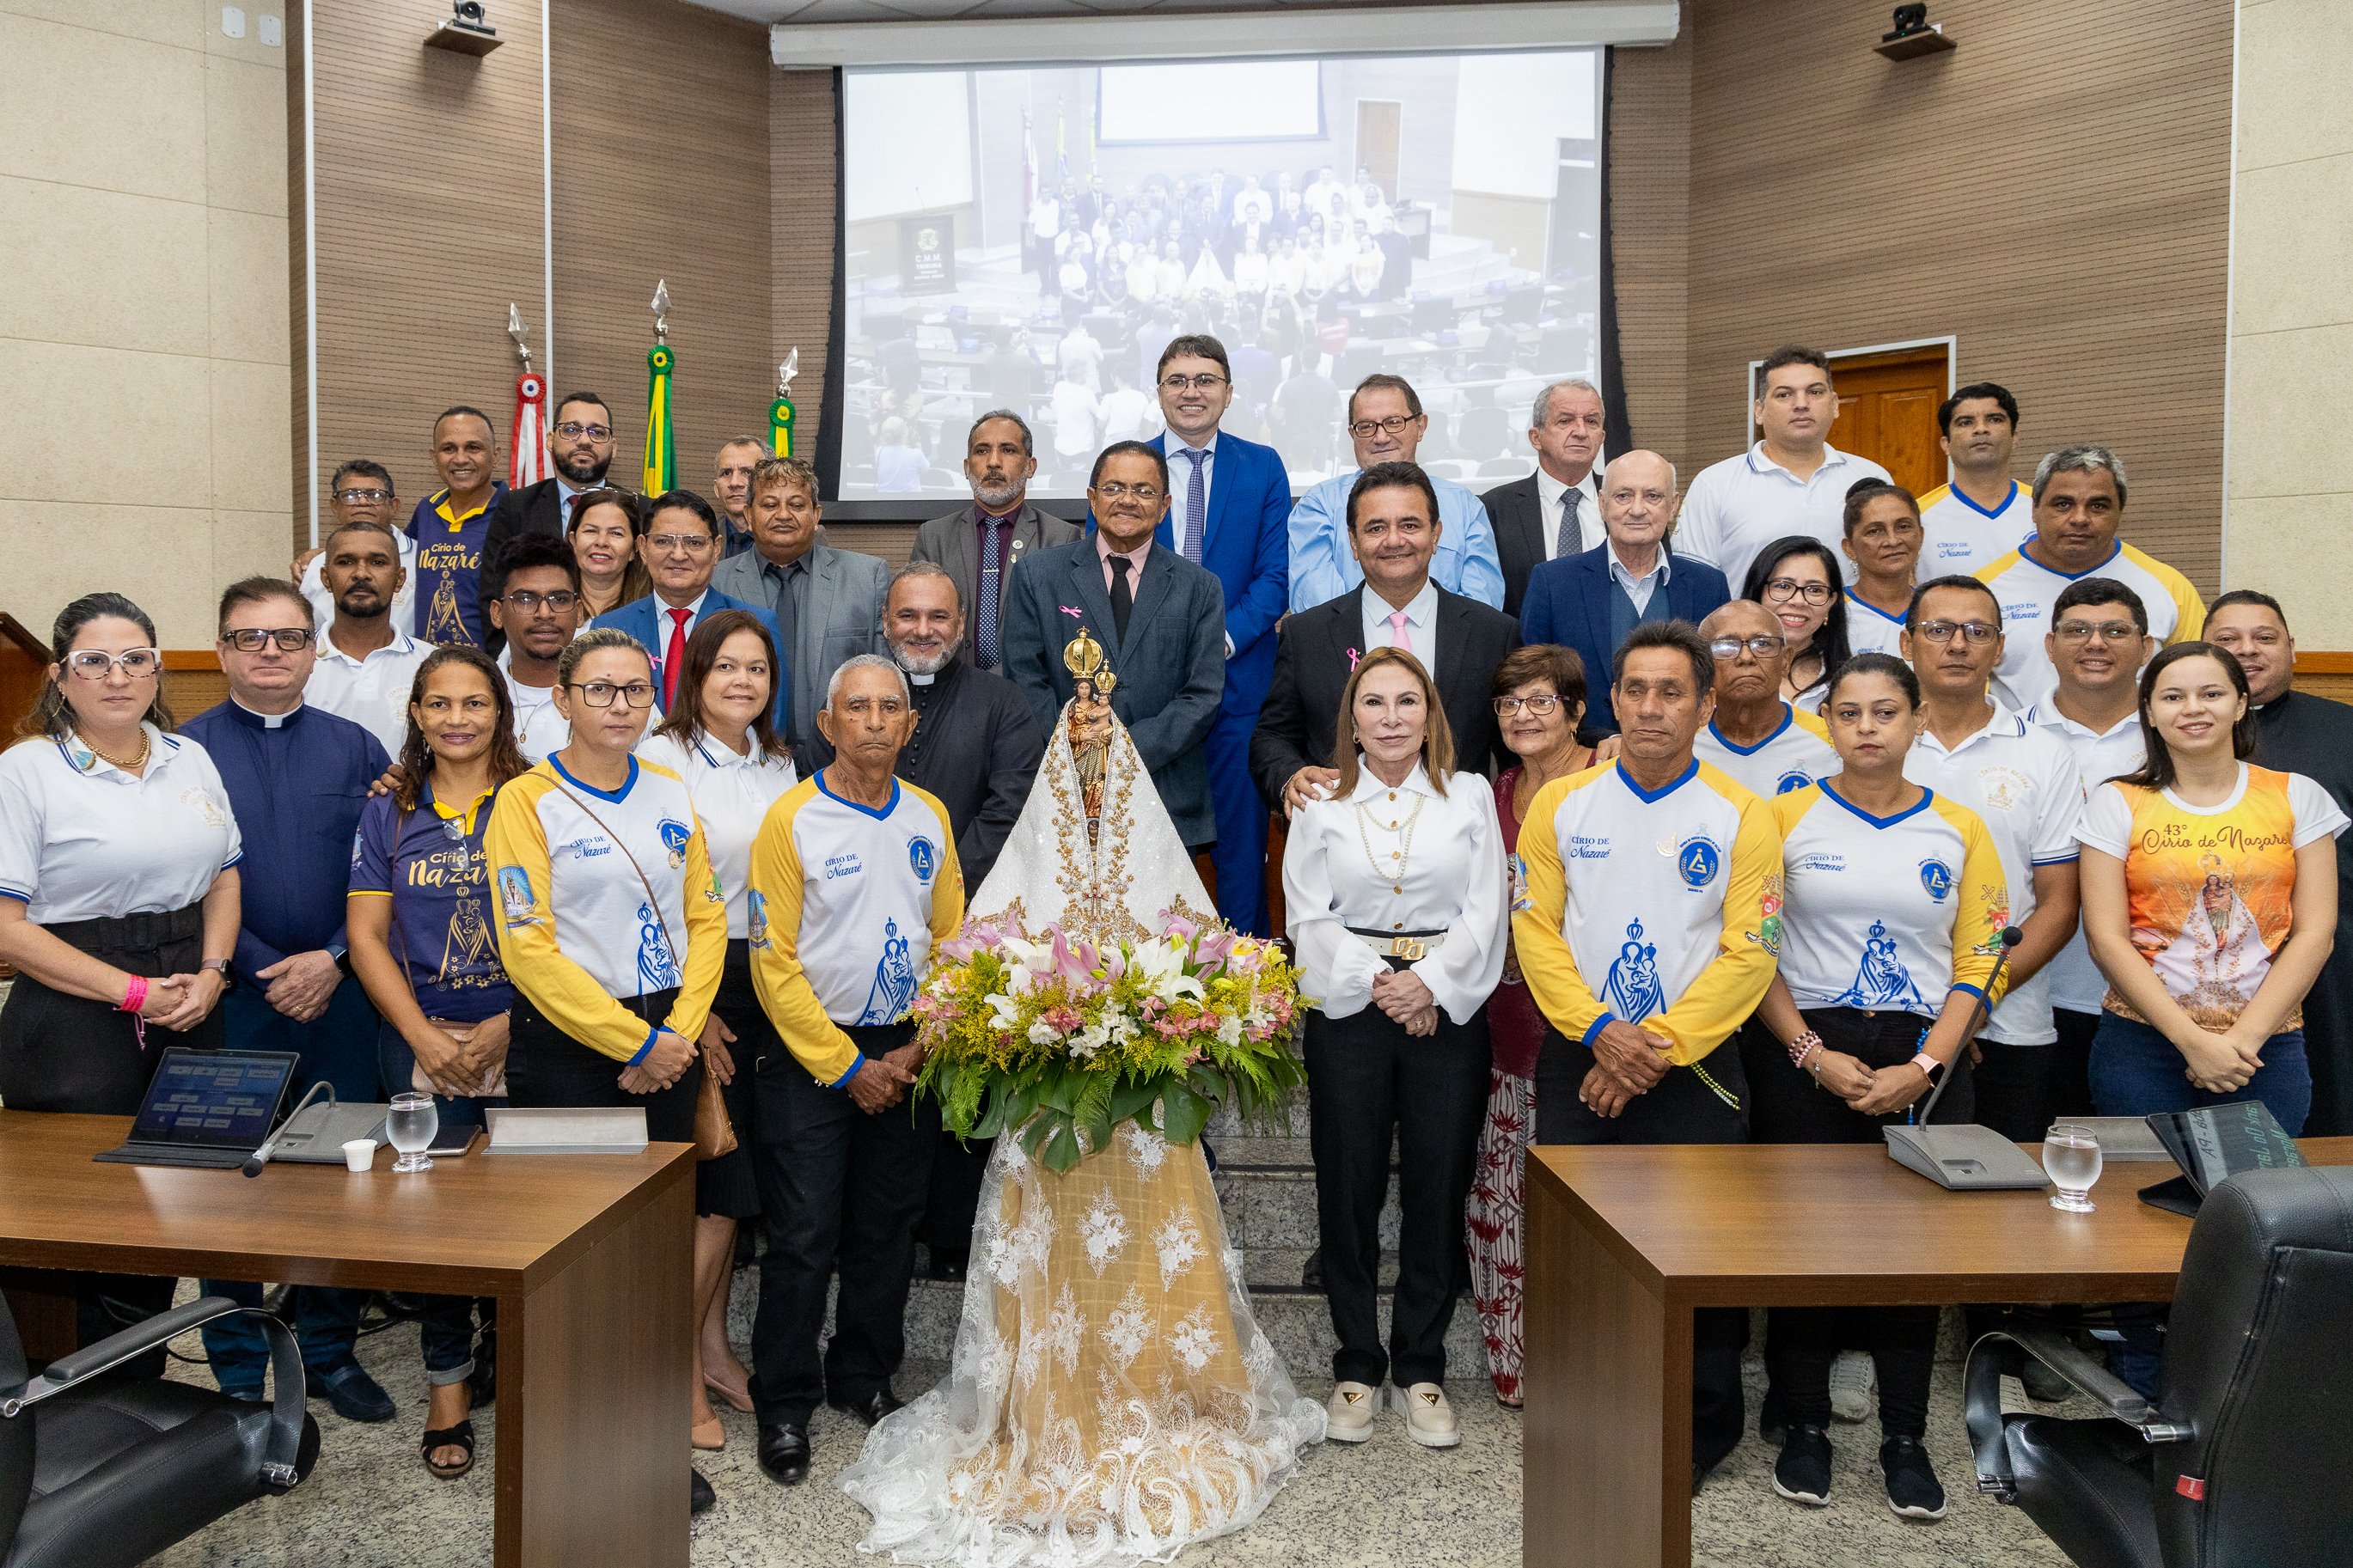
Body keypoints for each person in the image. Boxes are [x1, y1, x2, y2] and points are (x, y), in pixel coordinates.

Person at [838, 642, 1322, 1563]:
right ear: (1063, 759)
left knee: (1148, 1263)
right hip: (1046, 1113)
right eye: (1081, 757)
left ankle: (1159, 1392)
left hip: (1142, 1120)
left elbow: (1194, 952)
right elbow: (989, 955)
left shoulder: (1155, 852)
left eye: (1108, 757)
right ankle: (1045, 1406)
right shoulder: (1033, 851)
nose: (1095, 775)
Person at [1511, 619, 1781, 1488]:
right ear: (1612, 700)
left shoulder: (1744, 813)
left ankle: (1701, 1431)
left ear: (1705, 702)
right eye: (1634, 689)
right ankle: (1587, 1417)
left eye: (1671, 691)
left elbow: (1753, 949)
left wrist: (1649, 1047)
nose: (1650, 707)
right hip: (1577, 1058)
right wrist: (1597, 1032)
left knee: (1697, 1255)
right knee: (1577, 1254)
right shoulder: (1558, 803)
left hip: (1694, 1067)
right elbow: (1535, 928)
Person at [1743, 652, 2009, 1522]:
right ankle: (1805, 1428)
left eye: (1884, 712)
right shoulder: (1780, 817)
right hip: (1807, 1046)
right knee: (1801, 1249)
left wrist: (1924, 1065)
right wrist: (1811, 1053)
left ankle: (1905, 1436)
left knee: (1910, 1256)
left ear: (1916, 720)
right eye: (1847, 711)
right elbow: (1754, 948)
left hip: (1920, 1058)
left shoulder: (1959, 826)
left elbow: (1981, 959)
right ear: (1825, 721)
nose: (1865, 727)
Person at [483, 625, 725, 1510]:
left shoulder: (669, 790)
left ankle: (641, 1445)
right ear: (562, 698)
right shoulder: (525, 801)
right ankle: (562, 1447)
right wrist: (632, 1041)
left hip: (670, 1036)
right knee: (565, 1257)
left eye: (634, 690)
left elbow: (706, 921)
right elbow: (528, 950)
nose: (620, 705)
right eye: (600, 689)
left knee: (649, 1256)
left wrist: (680, 1036)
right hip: (567, 1047)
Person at [0, 593, 238, 1369]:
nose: (117, 675)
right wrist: (131, 992)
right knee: (82, 1225)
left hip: (190, 999)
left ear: (157, 668)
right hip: (75, 1013)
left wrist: (213, 972)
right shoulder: (27, 768)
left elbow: (224, 879)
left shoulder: (188, 755)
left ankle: (142, 1385)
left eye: (134, 658)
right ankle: (62, 1407)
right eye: (94, 661)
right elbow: (7, 927)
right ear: (61, 675)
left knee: (176, 1207)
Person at [743, 656, 963, 1486]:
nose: (874, 720)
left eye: (890, 708)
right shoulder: (791, 819)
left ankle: (863, 1375)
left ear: (910, 727)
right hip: (811, 1054)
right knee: (802, 1236)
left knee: (888, 1226)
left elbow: (953, 945)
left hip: (906, 1049)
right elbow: (774, 964)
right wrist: (847, 1068)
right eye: (855, 708)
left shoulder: (930, 815)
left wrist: (915, 1048)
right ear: (827, 726)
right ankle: (786, 1401)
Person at [1283, 648, 1507, 1449]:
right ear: (1351, 718)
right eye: (1372, 703)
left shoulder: (1470, 795)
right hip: (1351, 1006)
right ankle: (1354, 1360)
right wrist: (1384, 981)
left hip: (1444, 1007)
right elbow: (1306, 914)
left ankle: (1421, 1365)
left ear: (1430, 714)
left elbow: (1487, 909)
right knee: (1348, 1181)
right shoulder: (1320, 802)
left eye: (1406, 701)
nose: (1389, 717)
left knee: (1438, 1182)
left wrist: (1433, 985)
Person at [182, 577, 394, 1420]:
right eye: (249, 637)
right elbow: (187, 877)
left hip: (342, 997)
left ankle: (330, 1351)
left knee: (338, 1175)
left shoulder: (359, 748)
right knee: (229, 1183)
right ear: (224, 649)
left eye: (288, 637)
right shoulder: (182, 752)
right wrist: (268, 965)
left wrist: (334, 958)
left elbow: (384, 867)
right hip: (231, 995)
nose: (270, 651)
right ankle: (236, 1369)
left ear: (312, 648)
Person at [345, 644, 527, 1482]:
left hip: (525, 1034)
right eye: (439, 703)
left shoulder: (536, 801)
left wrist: (507, 1021)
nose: (457, 718)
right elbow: (366, 937)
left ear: (500, 712)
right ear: (416, 715)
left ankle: (522, 1364)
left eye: (474, 702)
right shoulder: (388, 809)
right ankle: (448, 1386)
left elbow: (565, 929)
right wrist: (421, 1035)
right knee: (441, 1223)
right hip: (420, 1038)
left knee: (531, 1212)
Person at [637, 612, 799, 1455]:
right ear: (694, 674)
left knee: (741, 1189)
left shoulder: (780, 761)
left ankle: (708, 1349)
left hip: (768, 979)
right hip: (693, 980)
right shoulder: (661, 758)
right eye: (725, 666)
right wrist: (692, 1017)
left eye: (757, 668)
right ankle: (664, 1369)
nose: (742, 680)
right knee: (713, 1186)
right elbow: (659, 891)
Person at [2079, 641, 2345, 1133]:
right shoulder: (2117, 801)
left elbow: (2316, 933)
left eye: (2212, 694)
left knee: (2257, 1202)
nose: (2194, 709)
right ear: (2151, 713)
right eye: (2173, 697)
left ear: (2241, 704)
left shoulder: (2298, 795)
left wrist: (2241, 1040)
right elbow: (2105, 938)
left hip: (2265, 1045)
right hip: (2142, 1042)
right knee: (2138, 1200)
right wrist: (2194, 1042)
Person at [1898, 576, 2086, 1143]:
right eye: (1939, 630)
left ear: (2000, 648)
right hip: (1893, 1015)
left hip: (2011, 1022)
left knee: (2004, 1214)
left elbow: (2059, 906)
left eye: (1978, 631)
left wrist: (1975, 1004)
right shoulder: (1872, 741)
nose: (1959, 644)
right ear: (1907, 644)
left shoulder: (2045, 752)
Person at [1466, 645, 1594, 1410]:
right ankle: (1519, 1367)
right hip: (1503, 1030)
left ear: (1578, 711)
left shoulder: (1610, 785)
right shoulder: (1490, 795)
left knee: (1585, 1212)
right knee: (1503, 1207)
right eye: (1511, 703)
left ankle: (1590, 1364)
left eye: (1542, 701)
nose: (1523, 715)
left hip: (1590, 1038)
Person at [1252, 462, 1521, 821]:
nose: (1394, 540)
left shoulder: (1494, 633)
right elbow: (1271, 737)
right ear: (1353, 541)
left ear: (1436, 534)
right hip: (1342, 837)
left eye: (1410, 525)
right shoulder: (1307, 634)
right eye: (1376, 528)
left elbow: (1516, 751)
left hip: (1459, 839)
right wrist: (1290, 778)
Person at [1000, 442, 1226, 853]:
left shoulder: (1200, 587)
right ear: (1092, 498)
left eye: (1144, 491)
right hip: (1062, 791)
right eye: (1114, 488)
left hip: (1164, 793)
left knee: (1158, 920)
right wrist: (1079, 746)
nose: (1127, 500)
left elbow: (1202, 695)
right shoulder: (1039, 575)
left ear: (1165, 506)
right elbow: (1023, 678)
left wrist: (1121, 750)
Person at [1151, 334, 1293, 936]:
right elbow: (1105, 572)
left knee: (1241, 851)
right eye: (1178, 379)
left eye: (1205, 379)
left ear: (1229, 393)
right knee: (1152, 853)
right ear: (1159, 392)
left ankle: (1248, 989)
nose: (1192, 391)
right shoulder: (1129, 468)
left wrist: (1216, 642)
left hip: (1241, 693)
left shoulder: (1261, 466)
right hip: (1150, 698)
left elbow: (1275, 577)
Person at [2211, 589, 2353, 1137]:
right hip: (2204, 966)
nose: (2248, 650)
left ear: (2292, 648)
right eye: (2228, 640)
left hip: (2333, 965)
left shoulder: (2344, 730)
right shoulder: (2176, 732)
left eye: (2264, 638)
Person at [2025, 578, 2156, 1117]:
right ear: (2050, 645)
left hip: (2151, 1001)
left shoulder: (2176, 740)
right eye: (2076, 630)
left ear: (2147, 649)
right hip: (2036, 996)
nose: (2094, 643)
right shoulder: (2011, 739)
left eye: (2115, 631)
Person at [1976, 445, 2206, 714]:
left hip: (2142, 753)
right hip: (2018, 752)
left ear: (2120, 511)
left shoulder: (2170, 587)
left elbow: (2200, 684)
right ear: (2034, 509)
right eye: (2063, 505)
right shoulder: (1984, 592)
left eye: (2097, 506)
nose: (2080, 519)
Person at [1519, 451, 1729, 735]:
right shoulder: (1552, 583)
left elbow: (1719, 687)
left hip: (1685, 760)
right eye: (1623, 496)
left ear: (1673, 506)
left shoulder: (1709, 586)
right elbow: (1532, 691)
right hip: (1583, 763)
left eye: (1653, 496)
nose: (1637, 509)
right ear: (1602, 505)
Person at [713, 455, 888, 765]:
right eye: (769, 505)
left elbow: (885, 678)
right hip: (742, 757)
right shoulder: (717, 582)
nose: (783, 515)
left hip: (843, 759)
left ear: (816, 514)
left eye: (796, 505)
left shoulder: (867, 577)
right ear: (749, 515)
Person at [1675, 345, 1891, 595]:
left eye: (1815, 392)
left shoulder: (1872, 479)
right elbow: (1691, 586)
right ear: (1759, 410)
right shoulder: (1714, 484)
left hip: (1850, 634)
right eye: (1784, 395)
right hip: (1751, 634)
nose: (1801, 404)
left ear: (1834, 404)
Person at [1287, 374, 1505, 613]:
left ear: (1420, 426)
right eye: (1366, 426)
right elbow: (1319, 612)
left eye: (1393, 422)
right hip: (1352, 649)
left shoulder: (1465, 505)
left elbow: (1483, 608)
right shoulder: (1318, 507)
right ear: (1352, 435)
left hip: (1444, 648)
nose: (1380, 437)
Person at [588, 488, 787, 729]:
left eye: (694, 542)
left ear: (716, 549)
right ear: (642, 548)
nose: (679, 554)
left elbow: (771, 724)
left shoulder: (757, 624)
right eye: (664, 541)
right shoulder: (610, 627)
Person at [908, 412, 1080, 676]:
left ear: (1031, 466)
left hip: (1025, 696)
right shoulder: (934, 537)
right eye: (982, 451)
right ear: (967, 467)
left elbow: (1059, 633)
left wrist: (995, 685)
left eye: (1008, 450)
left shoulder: (1060, 538)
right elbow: (920, 626)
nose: (993, 462)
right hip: (948, 692)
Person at [480, 391, 620, 649]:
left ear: (613, 445)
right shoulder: (516, 507)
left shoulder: (640, 510)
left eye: (597, 433)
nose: (584, 441)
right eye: (571, 429)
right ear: (550, 440)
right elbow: (493, 593)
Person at [304, 519, 434, 753]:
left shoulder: (433, 664)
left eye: (377, 562)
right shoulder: (293, 662)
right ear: (326, 579)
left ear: (399, 578)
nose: (361, 574)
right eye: (345, 562)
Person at [1484, 380, 1609, 619]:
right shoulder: (1496, 508)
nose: (1581, 432)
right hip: (1527, 651)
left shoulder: (1626, 500)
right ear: (1536, 437)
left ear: (1601, 437)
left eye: (1591, 421)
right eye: (1565, 421)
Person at [1692, 601, 1839, 797]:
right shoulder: (1683, 744)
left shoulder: (1831, 742)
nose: (1746, 657)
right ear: (1702, 665)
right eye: (1726, 645)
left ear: (1786, 660)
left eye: (1762, 644)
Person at [406, 406, 507, 650]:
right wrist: (318, 557)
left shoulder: (515, 512)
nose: (460, 458)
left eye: (473, 447)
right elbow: (388, 553)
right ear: (434, 457)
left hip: (492, 668)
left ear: (495, 455)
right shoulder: (426, 510)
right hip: (428, 665)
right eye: (449, 448)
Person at [486, 534, 587, 762]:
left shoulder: (615, 693)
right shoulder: (472, 695)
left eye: (559, 599)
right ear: (497, 613)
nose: (545, 613)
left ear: (579, 612)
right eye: (525, 599)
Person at [1918, 383, 2032, 577]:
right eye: (1965, 422)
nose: (1981, 429)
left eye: (1994, 419)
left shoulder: (2047, 507)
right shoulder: (1916, 517)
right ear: (1946, 444)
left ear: (2015, 436)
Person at [295, 460, 415, 631]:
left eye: (375, 495)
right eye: (350, 495)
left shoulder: (423, 558)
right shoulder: (315, 565)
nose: (363, 502)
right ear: (334, 506)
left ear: (394, 506)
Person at [1741, 537, 1852, 714]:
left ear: (1832, 601)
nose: (1798, 601)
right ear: (1757, 593)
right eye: (1783, 586)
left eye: (1815, 590)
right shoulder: (1721, 672)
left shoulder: (1852, 681)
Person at [1840, 482, 1925, 657]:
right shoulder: (1832, 612)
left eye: (1903, 527)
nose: (1893, 541)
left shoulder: (1938, 609)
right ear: (1849, 548)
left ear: (1921, 536)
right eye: (1874, 531)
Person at [568, 485, 651, 622]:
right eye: (591, 531)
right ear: (573, 542)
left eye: (616, 533)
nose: (602, 542)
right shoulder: (549, 611)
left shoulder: (652, 615)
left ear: (634, 549)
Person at [712, 436, 772, 558]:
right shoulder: (701, 536)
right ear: (716, 489)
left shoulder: (799, 536)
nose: (735, 483)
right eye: (726, 473)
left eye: (747, 472)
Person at [1048, 363, 1100, 470]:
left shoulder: (1059, 387)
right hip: (1083, 449)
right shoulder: (1087, 393)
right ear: (1078, 377)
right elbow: (1099, 413)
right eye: (1086, 373)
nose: (1088, 375)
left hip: (1061, 447)